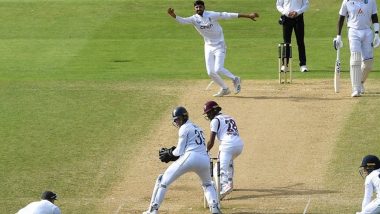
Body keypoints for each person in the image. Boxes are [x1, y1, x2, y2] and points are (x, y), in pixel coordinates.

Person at [167, 1, 259, 97]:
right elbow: (182, 21)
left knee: (218, 69)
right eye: (197, 7)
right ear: (194, 9)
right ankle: (225, 89)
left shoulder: (212, 14)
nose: (198, 8)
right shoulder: (194, 19)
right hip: (208, 46)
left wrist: (248, 16)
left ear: (204, 7)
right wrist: (173, 15)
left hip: (219, 45)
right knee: (210, 72)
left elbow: (228, 15)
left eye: (200, 7)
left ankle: (235, 79)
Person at [143, 106, 221, 214]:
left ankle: (153, 210)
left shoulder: (184, 128)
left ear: (184, 117)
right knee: (208, 184)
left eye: (178, 119)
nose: (177, 122)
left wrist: (169, 153)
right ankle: (215, 209)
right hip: (204, 160)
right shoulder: (197, 127)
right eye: (175, 120)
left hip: (191, 157)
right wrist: (172, 153)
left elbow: (179, 151)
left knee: (162, 180)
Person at [334, 0, 380, 97]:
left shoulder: (371, 1)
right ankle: (355, 88)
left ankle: (360, 82)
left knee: (369, 63)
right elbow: (341, 18)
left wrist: (377, 34)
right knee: (355, 59)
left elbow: (374, 16)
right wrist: (338, 36)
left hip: (367, 31)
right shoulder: (347, 1)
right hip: (353, 31)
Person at [203, 101, 244, 200]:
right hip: (239, 145)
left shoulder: (215, 121)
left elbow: (211, 142)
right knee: (228, 162)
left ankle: (224, 187)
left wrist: (204, 151)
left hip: (227, 145)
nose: (208, 115)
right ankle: (229, 181)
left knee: (218, 169)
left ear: (214, 110)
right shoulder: (230, 117)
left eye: (208, 113)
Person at [276, 0, 310, 72]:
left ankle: (303, 65)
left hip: (298, 18)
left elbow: (306, 5)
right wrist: (286, 12)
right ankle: (285, 65)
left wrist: (298, 12)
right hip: (287, 18)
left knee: (300, 41)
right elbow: (278, 5)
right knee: (286, 43)